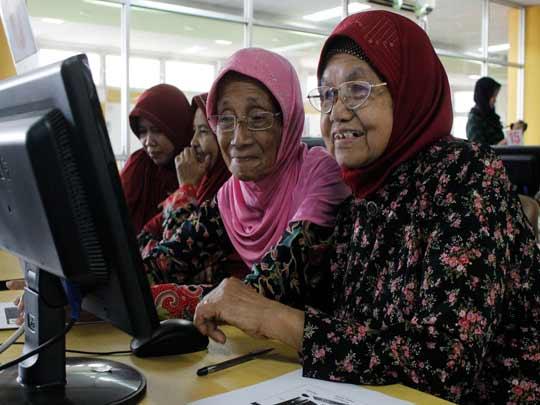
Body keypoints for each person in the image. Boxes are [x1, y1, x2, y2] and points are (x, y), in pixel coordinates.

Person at [194, 11, 540, 405]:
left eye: (357, 89)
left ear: (408, 90)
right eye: (327, 95)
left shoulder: (465, 174)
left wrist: (275, 318)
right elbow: (318, 300)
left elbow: (444, 364)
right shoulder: (361, 193)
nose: (337, 112)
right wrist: (222, 302)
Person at [140, 48, 350, 320]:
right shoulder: (232, 195)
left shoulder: (322, 175)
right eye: (226, 120)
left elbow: (272, 285)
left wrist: (163, 299)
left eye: (258, 118)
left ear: (288, 121)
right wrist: (118, 283)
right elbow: (171, 258)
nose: (238, 139)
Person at [120, 84, 193, 234]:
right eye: (142, 131)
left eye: (158, 130)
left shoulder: (199, 169)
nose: (148, 142)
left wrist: (187, 190)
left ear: (178, 127)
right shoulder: (139, 165)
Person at [466, 77, 506, 145]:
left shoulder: (490, 116)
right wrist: (501, 145)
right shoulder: (474, 120)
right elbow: (479, 148)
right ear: (484, 96)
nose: (495, 100)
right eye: (493, 96)